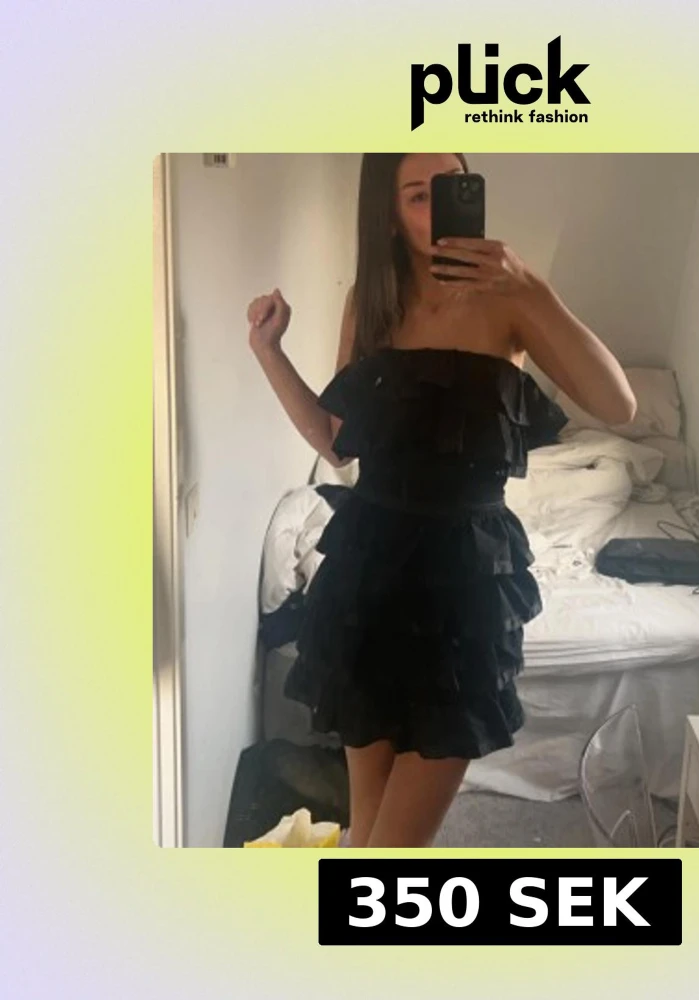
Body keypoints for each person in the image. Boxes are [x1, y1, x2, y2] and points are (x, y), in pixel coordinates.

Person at [247, 153, 636, 848]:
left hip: (465, 585)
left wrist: (534, 288)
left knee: (395, 846)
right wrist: (268, 350)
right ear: (389, 215)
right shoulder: (371, 303)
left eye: (450, 189)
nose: (438, 211)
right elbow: (336, 444)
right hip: (367, 573)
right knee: (367, 831)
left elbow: (619, 404)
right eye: (418, 196)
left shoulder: (509, 301)